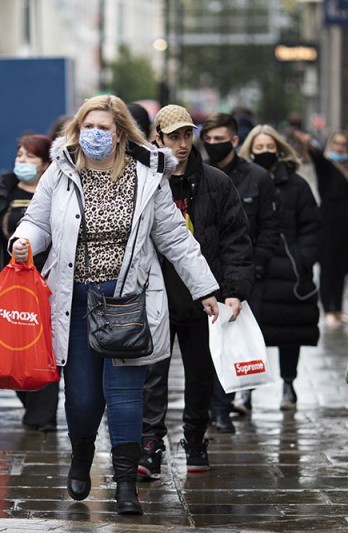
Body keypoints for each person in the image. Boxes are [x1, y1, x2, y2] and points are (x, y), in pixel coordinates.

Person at [9, 95, 220, 515]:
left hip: (127, 304)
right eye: (88, 127)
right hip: (75, 302)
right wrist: (23, 243)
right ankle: (82, 455)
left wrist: (205, 289)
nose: (95, 135)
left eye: (104, 128)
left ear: (120, 133)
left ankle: (125, 483)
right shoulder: (61, 172)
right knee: (83, 399)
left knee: (126, 398)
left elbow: (175, 237)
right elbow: (37, 220)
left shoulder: (148, 175)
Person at [139, 104, 253, 479]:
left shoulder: (216, 182)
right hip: (155, 293)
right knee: (153, 374)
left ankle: (194, 438)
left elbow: (236, 238)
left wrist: (234, 290)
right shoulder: (147, 181)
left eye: (188, 134)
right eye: (174, 136)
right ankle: (151, 443)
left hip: (203, 296)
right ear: (158, 137)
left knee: (200, 374)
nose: (182, 143)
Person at [200, 112, 279, 429]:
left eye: (220, 139)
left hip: (241, 274)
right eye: (209, 140)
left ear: (234, 140)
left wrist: (253, 269)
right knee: (202, 347)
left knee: (231, 343)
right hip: (201, 275)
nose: (214, 145)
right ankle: (207, 407)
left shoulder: (257, 177)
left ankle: (222, 408)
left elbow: (269, 228)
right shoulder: (198, 176)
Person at [0, 134, 60, 430]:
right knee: (12, 344)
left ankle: (42, 416)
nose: (22, 162)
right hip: (9, 283)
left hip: (46, 283)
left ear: (44, 163)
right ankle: (30, 402)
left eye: (30, 157)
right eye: (19, 155)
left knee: (41, 345)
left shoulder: (54, 193)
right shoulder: (4, 191)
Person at [238, 125, 321, 410]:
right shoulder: (241, 181)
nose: (264, 153)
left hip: (289, 271)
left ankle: (288, 384)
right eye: (258, 148)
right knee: (248, 333)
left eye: (268, 147)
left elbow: (312, 225)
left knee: (290, 332)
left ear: (279, 149)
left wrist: (303, 259)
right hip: (254, 269)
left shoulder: (297, 185)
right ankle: (245, 389)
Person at [296, 130, 348, 328]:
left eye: (344, 145)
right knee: (327, 269)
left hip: (346, 226)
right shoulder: (328, 166)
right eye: (337, 144)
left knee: (341, 270)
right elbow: (317, 158)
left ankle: (339, 309)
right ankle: (328, 311)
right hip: (327, 224)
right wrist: (310, 144)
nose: (340, 148)